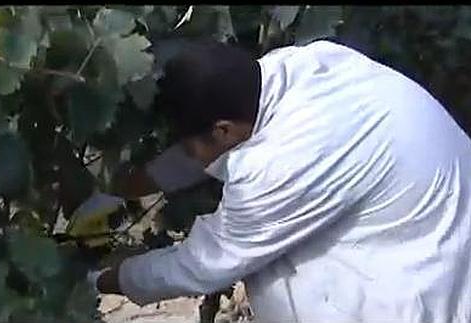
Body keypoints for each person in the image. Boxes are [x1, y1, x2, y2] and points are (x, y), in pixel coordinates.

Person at [93, 40, 471, 322]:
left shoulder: (278, 166)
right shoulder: (299, 65)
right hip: (437, 234)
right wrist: (113, 191)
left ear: (222, 129)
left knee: (271, 273)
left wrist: (100, 279)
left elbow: (203, 265)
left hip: (427, 289)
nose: (189, 156)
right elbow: (210, 151)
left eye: (190, 147)